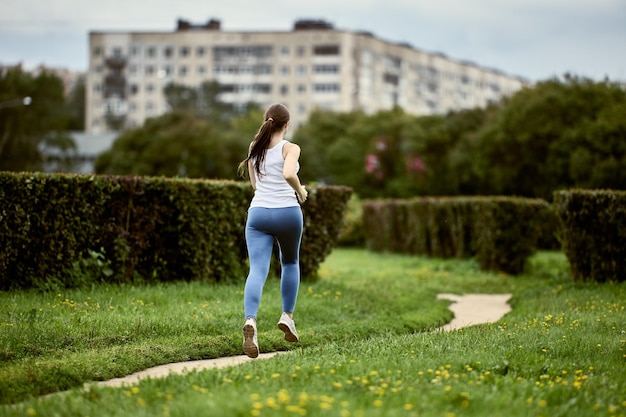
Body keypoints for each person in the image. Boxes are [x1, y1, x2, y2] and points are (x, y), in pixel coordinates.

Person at [237, 103, 308, 358]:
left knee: (257, 270)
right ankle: (287, 317)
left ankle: (251, 321)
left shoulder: (254, 147)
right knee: (290, 263)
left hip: (258, 215)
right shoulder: (291, 148)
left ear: (267, 121)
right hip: (288, 212)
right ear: (286, 125)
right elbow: (289, 173)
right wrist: (301, 192)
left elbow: (256, 186)